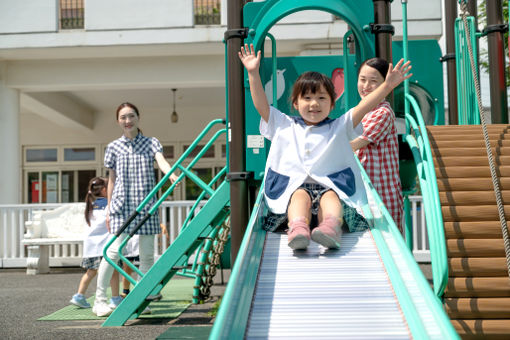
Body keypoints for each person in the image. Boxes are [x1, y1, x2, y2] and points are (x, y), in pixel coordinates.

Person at [238, 44, 411, 250]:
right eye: (307, 98)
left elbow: (364, 106)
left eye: (321, 98)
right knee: (298, 198)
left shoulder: (338, 126)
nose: (314, 104)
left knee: (331, 200)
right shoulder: (284, 124)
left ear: (331, 104)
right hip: (295, 186)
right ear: (295, 103)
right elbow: (261, 105)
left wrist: (387, 87)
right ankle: (298, 228)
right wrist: (253, 73)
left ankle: (330, 228)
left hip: (331, 187)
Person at [92, 102, 178, 317]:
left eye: (131, 116)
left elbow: (161, 161)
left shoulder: (151, 142)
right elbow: (111, 179)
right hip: (121, 206)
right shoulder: (113, 147)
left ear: (138, 118)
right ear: (118, 121)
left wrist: (172, 175)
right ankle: (99, 301)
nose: (127, 121)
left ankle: (141, 299)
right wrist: (110, 208)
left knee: (147, 257)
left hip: (147, 205)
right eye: (123, 117)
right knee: (112, 253)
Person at [351, 58, 404, 232]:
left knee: (389, 242)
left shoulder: (382, 112)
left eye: (374, 81)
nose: (366, 86)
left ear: (385, 85)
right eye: (362, 79)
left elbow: (355, 144)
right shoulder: (360, 110)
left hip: (381, 194)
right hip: (365, 191)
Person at [69, 177, 122, 309]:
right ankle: (115, 299)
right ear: (105, 190)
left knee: (90, 272)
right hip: (104, 246)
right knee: (114, 271)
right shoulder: (108, 206)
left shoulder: (91, 206)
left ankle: (79, 296)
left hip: (91, 246)